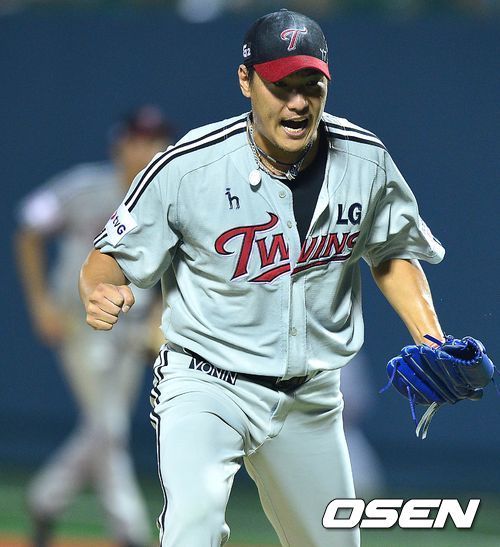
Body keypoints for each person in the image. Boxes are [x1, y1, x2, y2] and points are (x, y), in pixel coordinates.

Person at [79, 9, 446, 547]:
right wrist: (99, 290)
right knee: (192, 528)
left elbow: (391, 251)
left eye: (310, 85)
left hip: (311, 397)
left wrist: (431, 336)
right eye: (281, 85)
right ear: (246, 81)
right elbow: (105, 259)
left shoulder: (365, 161)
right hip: (207, 383)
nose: (298, 102)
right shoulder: (188, 166)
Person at [15, 105, 173, 547]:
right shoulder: (86, 187)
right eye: (138, 139)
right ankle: (130, 532)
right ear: (120, 143)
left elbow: (177, 267)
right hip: (83, 322)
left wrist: (158, 319)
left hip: (132, 331)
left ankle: (45, 499)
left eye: (155, 140)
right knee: (109, 429)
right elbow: (28, 227)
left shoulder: (168, 198)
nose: (146, 149)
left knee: (102, 429)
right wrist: (40, 304)